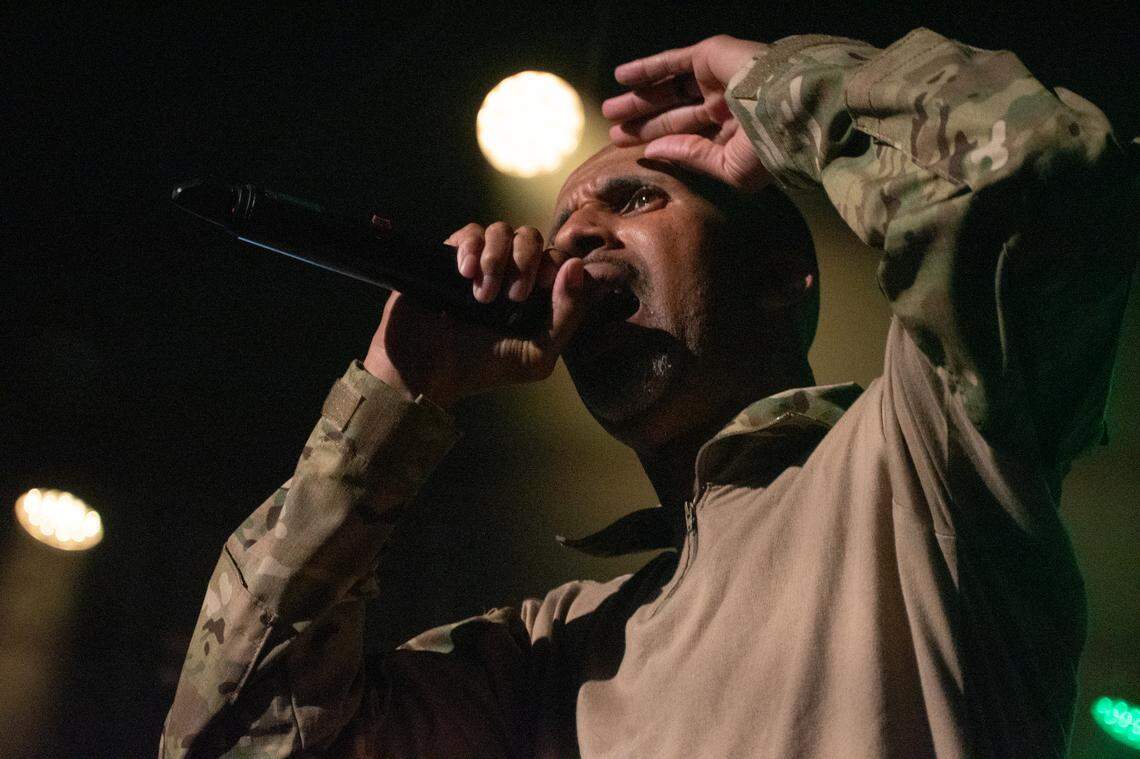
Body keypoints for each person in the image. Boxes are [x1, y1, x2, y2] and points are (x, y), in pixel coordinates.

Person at [161, 29, 1136, 758]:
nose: (573, 240)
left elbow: (1043, 182)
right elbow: (234, 740)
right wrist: (393, 394)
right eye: (563, 219)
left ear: (780, 275)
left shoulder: (926, 458)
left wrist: (785, 89)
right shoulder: (556, 652)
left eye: (634, 200)